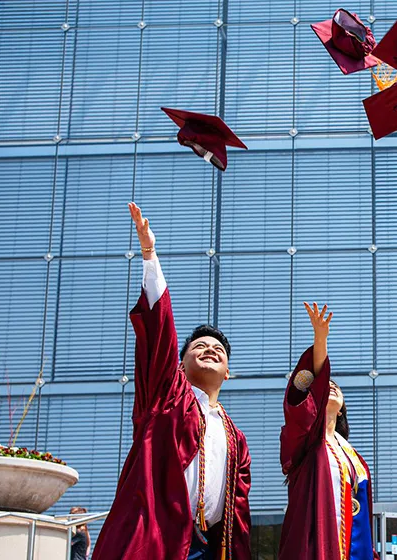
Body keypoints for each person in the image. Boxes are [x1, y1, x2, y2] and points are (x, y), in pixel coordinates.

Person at [94, 203, 251, 560]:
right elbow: (160, 330)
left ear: (228, 372)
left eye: (218, 350)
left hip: (208, 546)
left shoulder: (235, 438)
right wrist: (149, 254)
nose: (210, 350)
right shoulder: (167, 396)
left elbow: (238, 513)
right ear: (178, 365)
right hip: (155, 538)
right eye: (200, 346)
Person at [280, 303, 375, 560]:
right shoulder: (306, 438)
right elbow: (311, 385)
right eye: (326, 386)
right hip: (316, 547)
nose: (331, 387)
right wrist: (320, 339)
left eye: (337, 388)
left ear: (343, 408)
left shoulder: (353, 456)